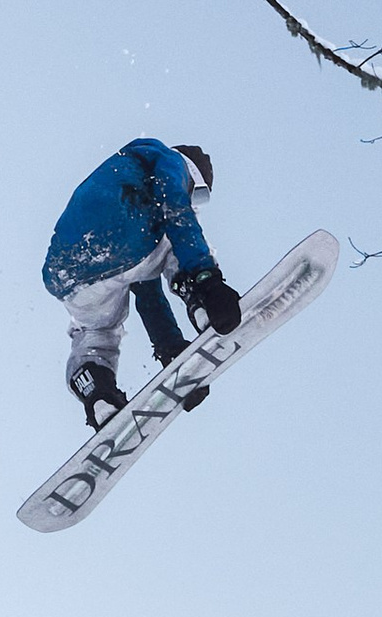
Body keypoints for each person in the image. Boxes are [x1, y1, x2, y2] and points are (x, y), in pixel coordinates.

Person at [42, 137, 243, 422]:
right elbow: (177, 211)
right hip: (121, 239)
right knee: (179, 240)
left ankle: (98, 393)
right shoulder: (170, 161)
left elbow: (147, 292)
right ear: (191, 174)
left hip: (67, 273)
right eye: (199, 194)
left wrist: (170, 348)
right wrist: (208, 280)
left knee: (97, 333)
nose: (194, 203)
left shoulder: (128, 175)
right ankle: (201, 302)